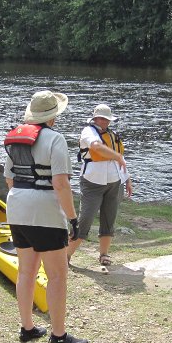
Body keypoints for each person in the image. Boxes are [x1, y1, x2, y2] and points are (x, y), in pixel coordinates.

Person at [4, 90, 89, 343]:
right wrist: (73, 219)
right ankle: (59, 336)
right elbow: (61, 184)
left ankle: (27, 328)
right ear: (53, 117)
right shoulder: (56, 139)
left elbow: (9, 178)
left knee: (26, 271)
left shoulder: (15, 139)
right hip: (45, 211)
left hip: (16, 206)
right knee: (57, 275)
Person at [66, 104, 132, 267]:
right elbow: (96, 146)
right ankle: (66, 255)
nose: (102, 121)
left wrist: (128, 179)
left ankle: (104, 254)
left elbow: (120, 160)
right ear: (94, 118)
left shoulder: (112, 134)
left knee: (109, 218)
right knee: (85, 219)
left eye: (106, 119)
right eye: (100, 118)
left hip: (115, 181)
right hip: (92, 182)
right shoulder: (88, 132)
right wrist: (117, 156)